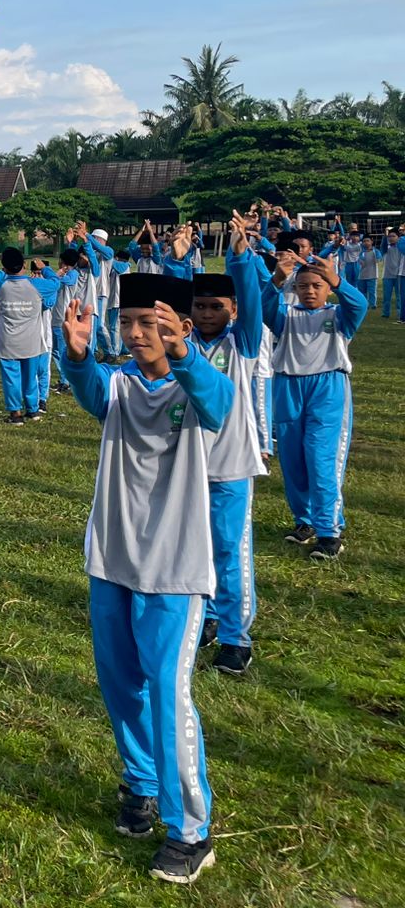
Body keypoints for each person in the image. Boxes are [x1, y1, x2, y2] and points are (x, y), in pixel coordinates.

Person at [62, 274, 231, 885]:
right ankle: (141, 784)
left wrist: (184, 355)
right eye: (128, 322)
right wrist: (77, 354)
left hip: (173, 569)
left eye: (150, 323)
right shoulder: (120, 386)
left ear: (180, 328)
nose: (136, 334)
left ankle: (191, 830)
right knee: (120, 684)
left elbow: (219, 402)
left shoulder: (194, 386)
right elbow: (90, 390)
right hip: (112, 560)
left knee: (167, 692)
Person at [187, 213, 268, 675]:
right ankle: (208, 618)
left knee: (229, 550)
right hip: (189, 466)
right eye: (199, 306)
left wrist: (239, 256)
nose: (206, 313)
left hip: (232, 466)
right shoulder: (182, 346)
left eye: (216, 306)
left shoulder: (244, 344)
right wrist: (177, 262)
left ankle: (237, 638)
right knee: (195, 547)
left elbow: (253, 301)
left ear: (232, 311)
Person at [263, 251, 367, 559]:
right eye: (303, 286)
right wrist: (277, 279)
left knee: (321, 458)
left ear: (328, 289)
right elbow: (263, 307)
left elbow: (359, 304)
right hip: (288, 388)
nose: (310, 291)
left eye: (317, 286)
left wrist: (337, 279)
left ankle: (329, 532)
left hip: (327, 389)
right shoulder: (286, 316)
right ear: (294, 289)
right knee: (293, 460)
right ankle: (305, 521)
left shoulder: (339, 316)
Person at [0, 248, 62, 425]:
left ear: (4, 267)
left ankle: (15, 413)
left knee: (11, 379)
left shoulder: (0, 286)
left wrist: (1, 272)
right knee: (30, 377)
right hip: (31, 341)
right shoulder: (37, 285)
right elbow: (55, 282)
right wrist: (44, 268)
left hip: (8, 341)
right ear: (25, 265)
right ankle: (33, 409)